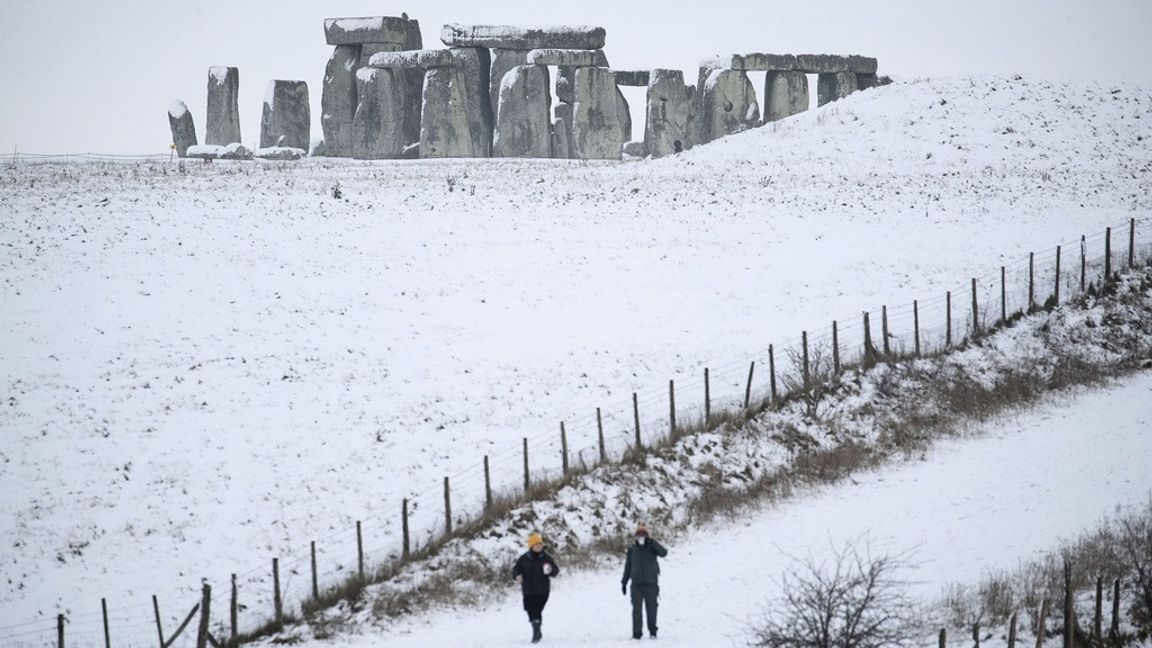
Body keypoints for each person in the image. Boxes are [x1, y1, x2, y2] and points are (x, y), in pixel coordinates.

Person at [621, 524, 668, 640]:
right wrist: (624, 582)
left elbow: (664, 553)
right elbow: (628, 567)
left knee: (652, 609)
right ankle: (637, 633)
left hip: (651, 584)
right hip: (636, 585)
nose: (640, 537)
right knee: (636, 610)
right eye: (638, 535)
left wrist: (653, 543)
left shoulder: (652, 548)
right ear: (635, 537)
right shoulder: (632, 550)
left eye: (643, 535)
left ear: (647, 537)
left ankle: (653, 632)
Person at [514, 531, 560, 643]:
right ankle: (537, 629)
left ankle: (536, 633)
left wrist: (550, 570)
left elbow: (555, 571)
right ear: (531, 546)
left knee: (537, 610)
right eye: (536, 544)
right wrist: (517, 575)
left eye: (540, 544)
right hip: (528, 590)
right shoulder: (523, 558)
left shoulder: (546, 558)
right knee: (530, 610)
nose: (539, 546)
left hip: (542, 590)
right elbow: (515, 570)